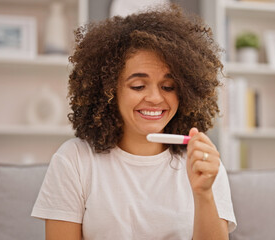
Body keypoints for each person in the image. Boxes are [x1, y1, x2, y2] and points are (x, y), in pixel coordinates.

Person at [31, 4, 237, 240]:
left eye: (168, 87)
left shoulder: (202, 162)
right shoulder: (74, 160)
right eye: (138, 86)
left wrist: (204, 193)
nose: (155, 98)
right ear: (109, 90)